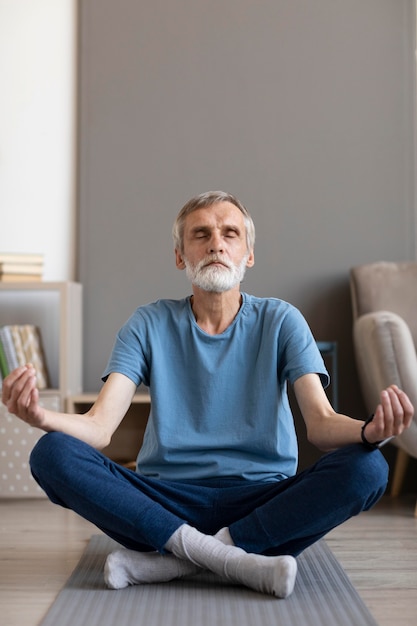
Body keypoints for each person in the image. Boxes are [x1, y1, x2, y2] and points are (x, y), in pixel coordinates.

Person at [2, 191, 413, 599]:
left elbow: (321, 426)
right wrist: (42, 417)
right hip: (166, 501)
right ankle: (235, 558)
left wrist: (369, 431)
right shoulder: (148, 323)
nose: (216, 242)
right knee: (51, 453)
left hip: (262, 501)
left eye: (230, 233)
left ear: (248, 255)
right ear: (181, 256)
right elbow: (99, 426)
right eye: (201, 234)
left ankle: (178, 559)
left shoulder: (282, 319)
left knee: (368, 468)